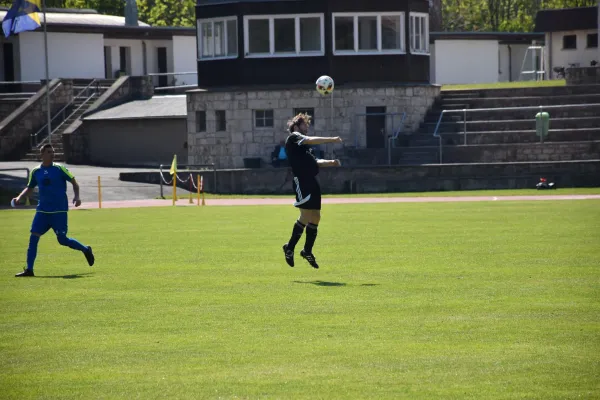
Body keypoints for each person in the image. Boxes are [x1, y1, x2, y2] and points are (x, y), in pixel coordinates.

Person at [11, 144, 95, 277]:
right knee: (33, 237)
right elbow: (30, 187)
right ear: (42, 154)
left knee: (62, 240)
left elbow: (74, 182)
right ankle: (29, 270)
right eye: (49, 152)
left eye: (53, 152)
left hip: (59, 211)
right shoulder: (36, 171)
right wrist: (19, 197)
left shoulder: (59, 168)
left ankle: (85, 250)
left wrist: (77, 197)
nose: (52, 154)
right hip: (42, 211)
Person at [282, 112, 342, 269]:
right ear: (296, 126)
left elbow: (315, 162)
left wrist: (331, 162)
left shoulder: (303, 147)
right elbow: (310, 140)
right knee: (305, 215)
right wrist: (331, 140)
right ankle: (289, 247)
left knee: (315, 217)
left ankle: (307, 251)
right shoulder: (294, 137)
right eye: (304, 125)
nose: (306, 128)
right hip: (302, 182)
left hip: (312, 182)